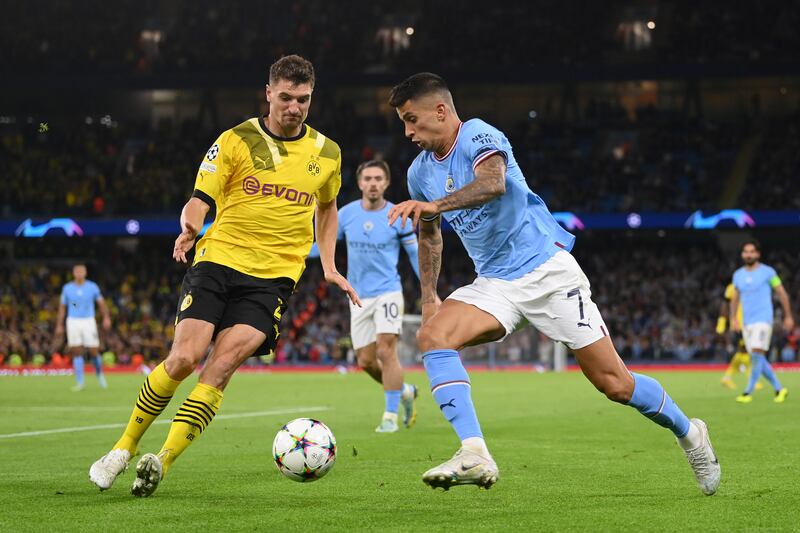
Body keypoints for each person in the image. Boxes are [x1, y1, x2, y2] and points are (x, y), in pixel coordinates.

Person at [386, 73, 720, 495]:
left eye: (412, 119)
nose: (408, 132)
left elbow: (493, 183)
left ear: (441, 110)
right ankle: (474, 452)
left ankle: (690, 433)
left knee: (615, 384)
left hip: (548, 272)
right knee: (433, 335)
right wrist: (430, 296)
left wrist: (436, 204)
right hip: (494, 284)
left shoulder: (478, 134)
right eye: (403, 123)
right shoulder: (419, 173)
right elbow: (429, 233)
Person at [88, 55, 359, 497]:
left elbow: (327, 209)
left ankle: (162, 461)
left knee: (222, 365)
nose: (294, 107)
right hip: (219, 262)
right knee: (184, 357)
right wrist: (190, 227)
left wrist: (327, 265)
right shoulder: (235, 140)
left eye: (303, 100)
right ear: (268, 93)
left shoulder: (327, 153)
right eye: (286, 97)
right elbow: (200, 198)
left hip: (273, 279)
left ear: (312, 98)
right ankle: (122, 449)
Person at [336, 160, 421, 432]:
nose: (373, 183)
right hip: (358, 296)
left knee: (386, 349)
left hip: (388, 292)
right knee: (366, 361)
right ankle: (404, 390)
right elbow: (322, 247)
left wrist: (431, 291)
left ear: (386, 183)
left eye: (378, 178)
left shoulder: (397, 215)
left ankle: (390, 416)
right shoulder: (345, 214)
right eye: (368, 178)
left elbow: (414, 253)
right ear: (360, 183)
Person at [729, 240, 793, 403]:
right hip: (747, 322)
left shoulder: (768, 272)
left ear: (758, 254)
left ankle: (747, 392)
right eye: (745, 251)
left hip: (763, 319)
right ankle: (780, 389)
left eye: (751, 251)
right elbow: (735, 298)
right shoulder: (738, 275)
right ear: (743, 254)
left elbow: (782, 293)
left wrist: (788, 316)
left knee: (757, 354)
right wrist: (733, 318)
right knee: (758, 358)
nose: (748, 254)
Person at [54, 264, 111, 391]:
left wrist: (106, 317)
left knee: (94, 350)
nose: (79, 274)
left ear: (85, 273)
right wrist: (59, 325)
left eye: (81, 271)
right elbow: (62, 307)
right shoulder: (67, 288)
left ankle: (100, 375)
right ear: (73, 273)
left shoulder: (92, 287)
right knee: (76, 351)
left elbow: (101, 303)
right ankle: (80, 382)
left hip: (88, 321)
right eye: (77, 272)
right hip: (73, 321)